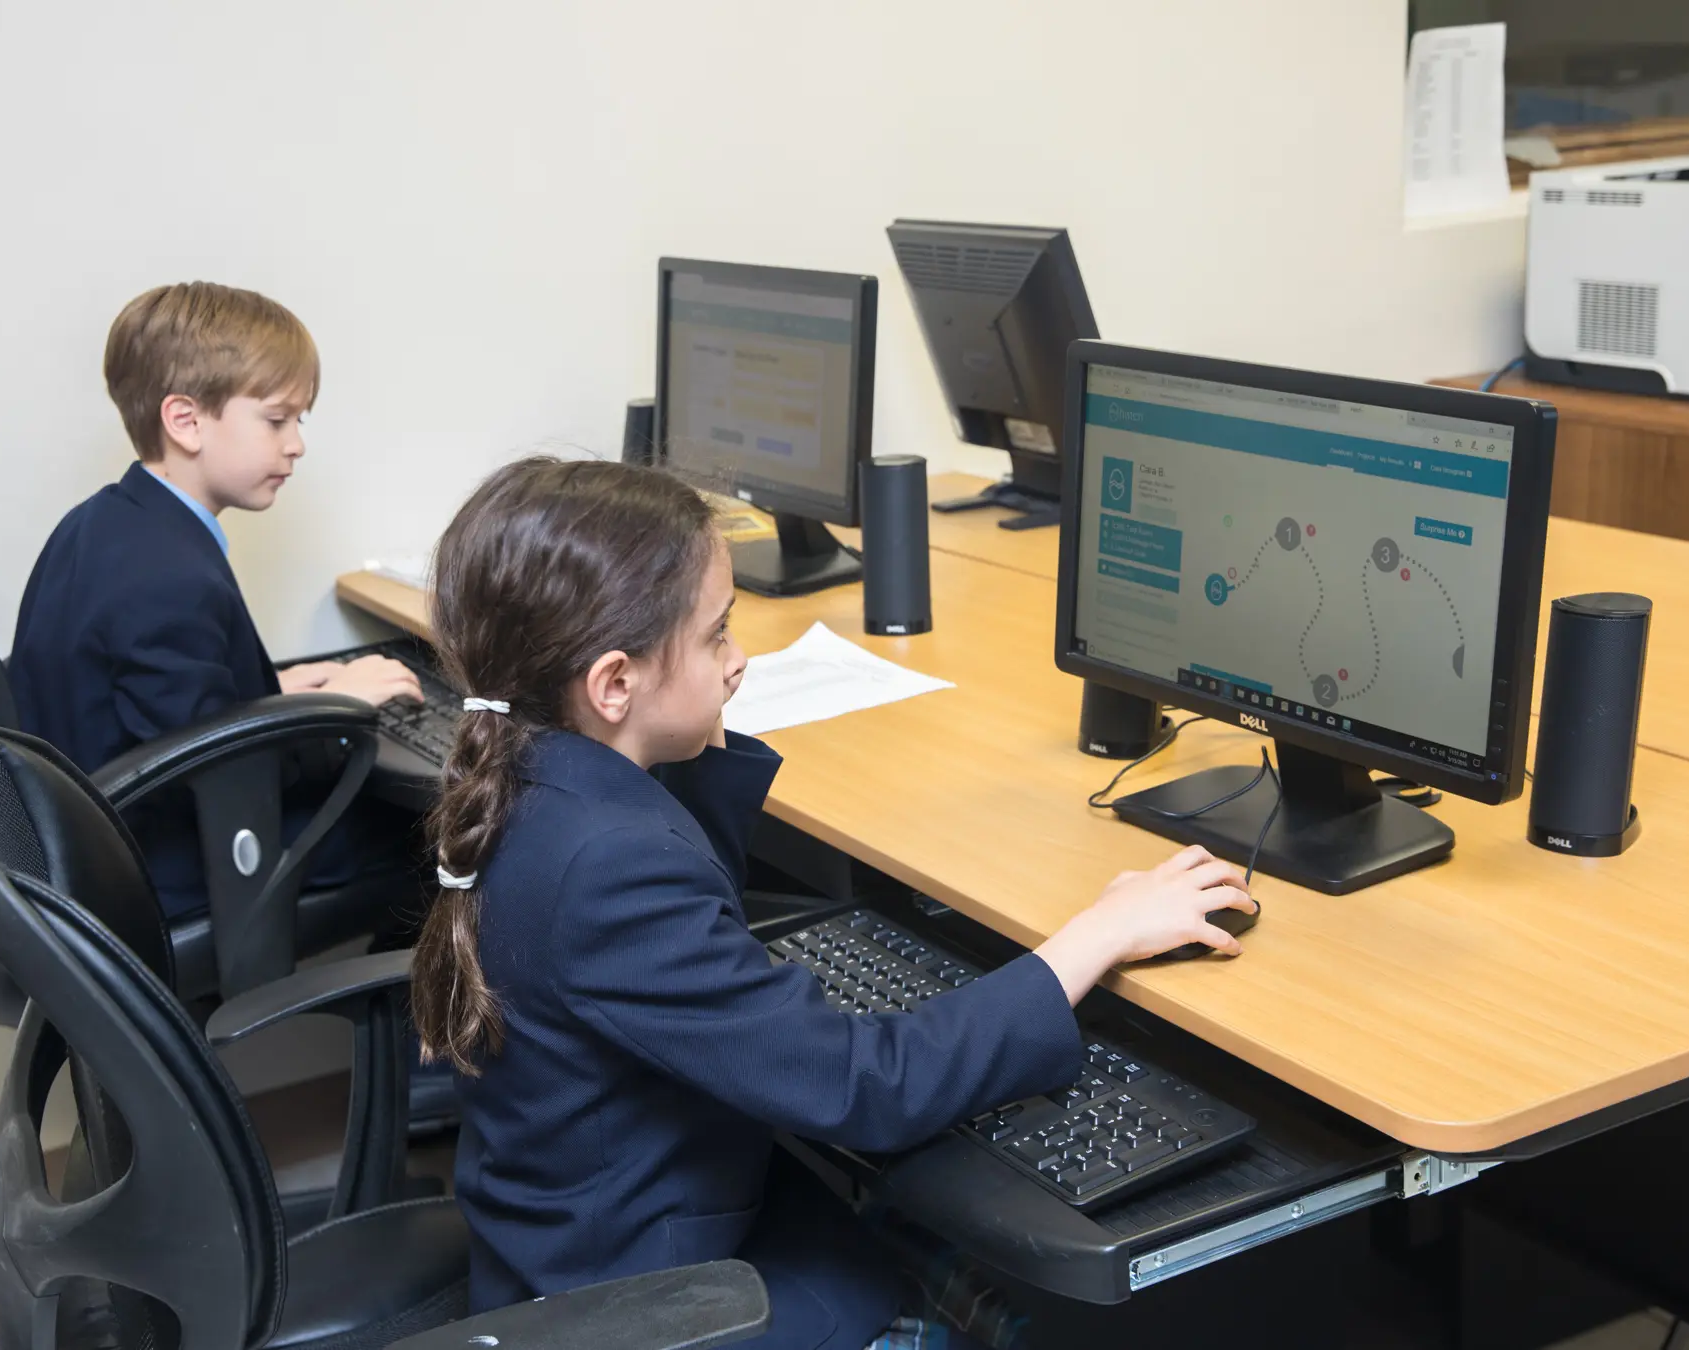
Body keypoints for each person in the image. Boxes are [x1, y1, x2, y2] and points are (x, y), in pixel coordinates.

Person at [412, 456, 1256, 1350]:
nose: (738, 662)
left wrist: (687, 719)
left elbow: (685, 914)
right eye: (715, 636)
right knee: (992, 1298)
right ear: (612, 683)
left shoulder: (534, 778)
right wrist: (1095, 935)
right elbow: (867, 1087)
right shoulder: (608, 869)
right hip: (647, 1299)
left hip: (575, 1231)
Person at [10, 281, 422, 917]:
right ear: (185, 421)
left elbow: (166, 712)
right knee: (438, 834)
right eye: (276, 419)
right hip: (168, 865)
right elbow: (217, 776)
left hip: (98, 838)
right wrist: (341, 713)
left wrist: (271, 695)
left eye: (299, 421)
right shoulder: (170, 578)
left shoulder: (106, 524)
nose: (297, 444)